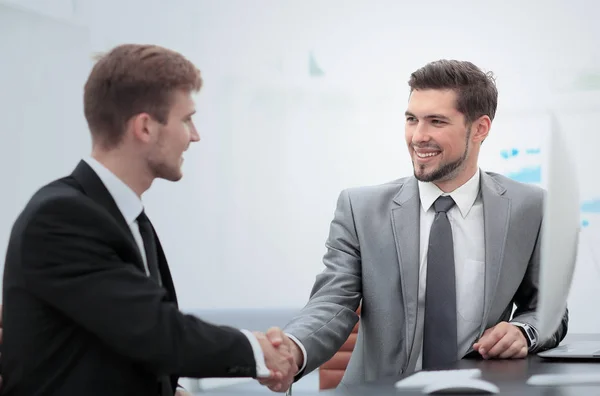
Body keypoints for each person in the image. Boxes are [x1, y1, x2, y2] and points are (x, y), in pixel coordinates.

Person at [0, 44, 296, 396]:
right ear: (145, 127)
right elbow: (156, 332)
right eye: (186, 119)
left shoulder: (121, 215)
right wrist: (258, 353)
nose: (195, 135)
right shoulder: (62, 218)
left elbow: (119, 335)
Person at [260, 59, 569, 392]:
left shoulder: (529, 208)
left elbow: (548, 312)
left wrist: (524, 332)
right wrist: (294, 347)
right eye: (411, 120)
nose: (418, 137)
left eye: (436, 121)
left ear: (479, 128)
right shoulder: (360, 209)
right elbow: (332, 303)